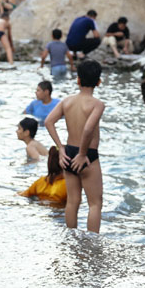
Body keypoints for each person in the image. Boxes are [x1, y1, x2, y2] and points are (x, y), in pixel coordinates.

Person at [44, 59, 106, 232]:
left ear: (78, 80)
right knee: (95, 203)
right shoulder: (97, 104)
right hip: (87, 155)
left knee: (72, 201)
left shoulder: (67, 101)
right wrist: (83, 154)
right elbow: (88, 129)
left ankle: (71, 238)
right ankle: (91, 243)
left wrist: (60, 148)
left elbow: (49, 122)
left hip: (69, 153)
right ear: (99, 82)